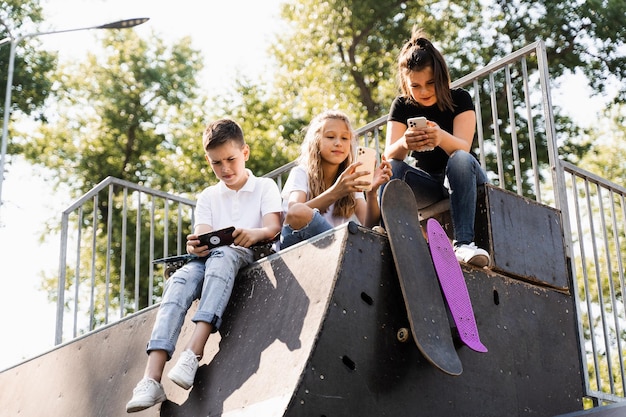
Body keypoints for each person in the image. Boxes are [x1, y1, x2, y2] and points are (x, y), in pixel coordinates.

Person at [126, 119, 283, 413]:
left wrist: (255, 233)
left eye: (231, 160)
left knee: (224, 255)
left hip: (247, 253)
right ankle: (151, 378)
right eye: (216, 163)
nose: (225, 169)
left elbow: (273, 227)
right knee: (181, 279)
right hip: (210, 259)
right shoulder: (208, 196)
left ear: (245, 152)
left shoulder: (264, 186)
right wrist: (194, 245)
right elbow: (203, 237)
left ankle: (193, 352)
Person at [382, 27, 490, 267]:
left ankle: (463, 244)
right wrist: (404, 143)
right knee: (392, 166)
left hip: (466, 179)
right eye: (416, 86)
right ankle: (386, 232)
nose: (424, 91)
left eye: (430, 83)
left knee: (460, 159)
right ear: (406, 84)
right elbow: (389, 155)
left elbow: (463, 147)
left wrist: (440, 137)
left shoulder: (460, 99)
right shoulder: (401, 105)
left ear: (441, 77)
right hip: (430, 186)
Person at [281, 109, 392, 249]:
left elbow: (369, 225)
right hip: (295, 244)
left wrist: (371, 192)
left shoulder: (350, 179)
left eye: (345, 138)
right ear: (316, 141)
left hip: (330, 249)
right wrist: (336, 191)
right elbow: (294, 213)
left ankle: (346, 251)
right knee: (300, 211)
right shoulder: (301, 172)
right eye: (330, 137)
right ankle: (346, 250)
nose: (338, 143)